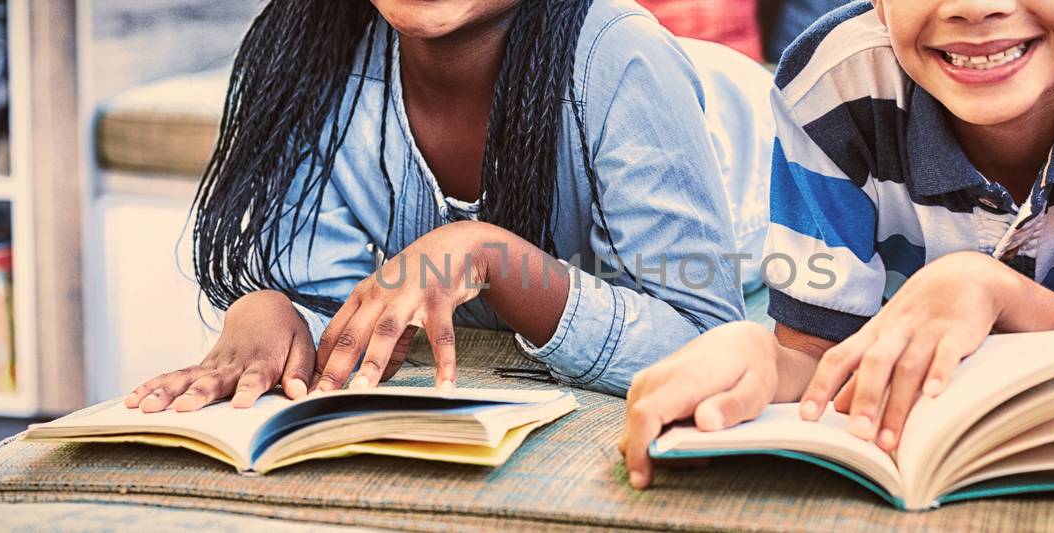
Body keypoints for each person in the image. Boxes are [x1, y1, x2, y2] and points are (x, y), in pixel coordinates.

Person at [621, 0, 1054, 489]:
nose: (976, 7)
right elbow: (816, 353)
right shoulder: (828, 86)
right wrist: (754, 353)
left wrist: (991, 289)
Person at [124, 0, 774, 413]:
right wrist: (269, 310)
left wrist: (490, 257)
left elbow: (705, 339)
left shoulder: (619, 54)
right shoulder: (315, 59)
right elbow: (345, 320)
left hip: (787, 261)